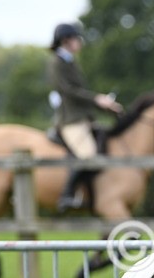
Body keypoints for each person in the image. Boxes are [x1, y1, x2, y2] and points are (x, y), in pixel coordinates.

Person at [46, 22, 123, 211]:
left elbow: (81, 94)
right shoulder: (57, 63)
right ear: (66, 41)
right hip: (70, 120)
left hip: (83, 118)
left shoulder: (71, 61)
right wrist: (97, 99)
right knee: (88, 156)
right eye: (76, 38)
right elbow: (69, 91)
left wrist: (108, 106)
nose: (80, 42)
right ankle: (66, 195)